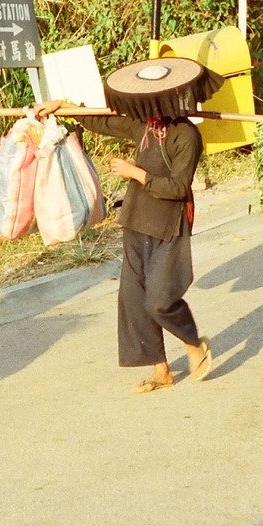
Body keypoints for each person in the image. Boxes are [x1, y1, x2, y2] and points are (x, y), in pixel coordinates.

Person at [34, 98, 213, 393]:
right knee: (133, 297)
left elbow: (180, 188)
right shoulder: (141, 124)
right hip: (137, 217)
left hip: (169, 223)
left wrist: (135, 173)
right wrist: (64, 107)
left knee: (159, 298)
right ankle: (161, 370)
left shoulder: (187, 135)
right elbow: (100, 121)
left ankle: (193, 343)